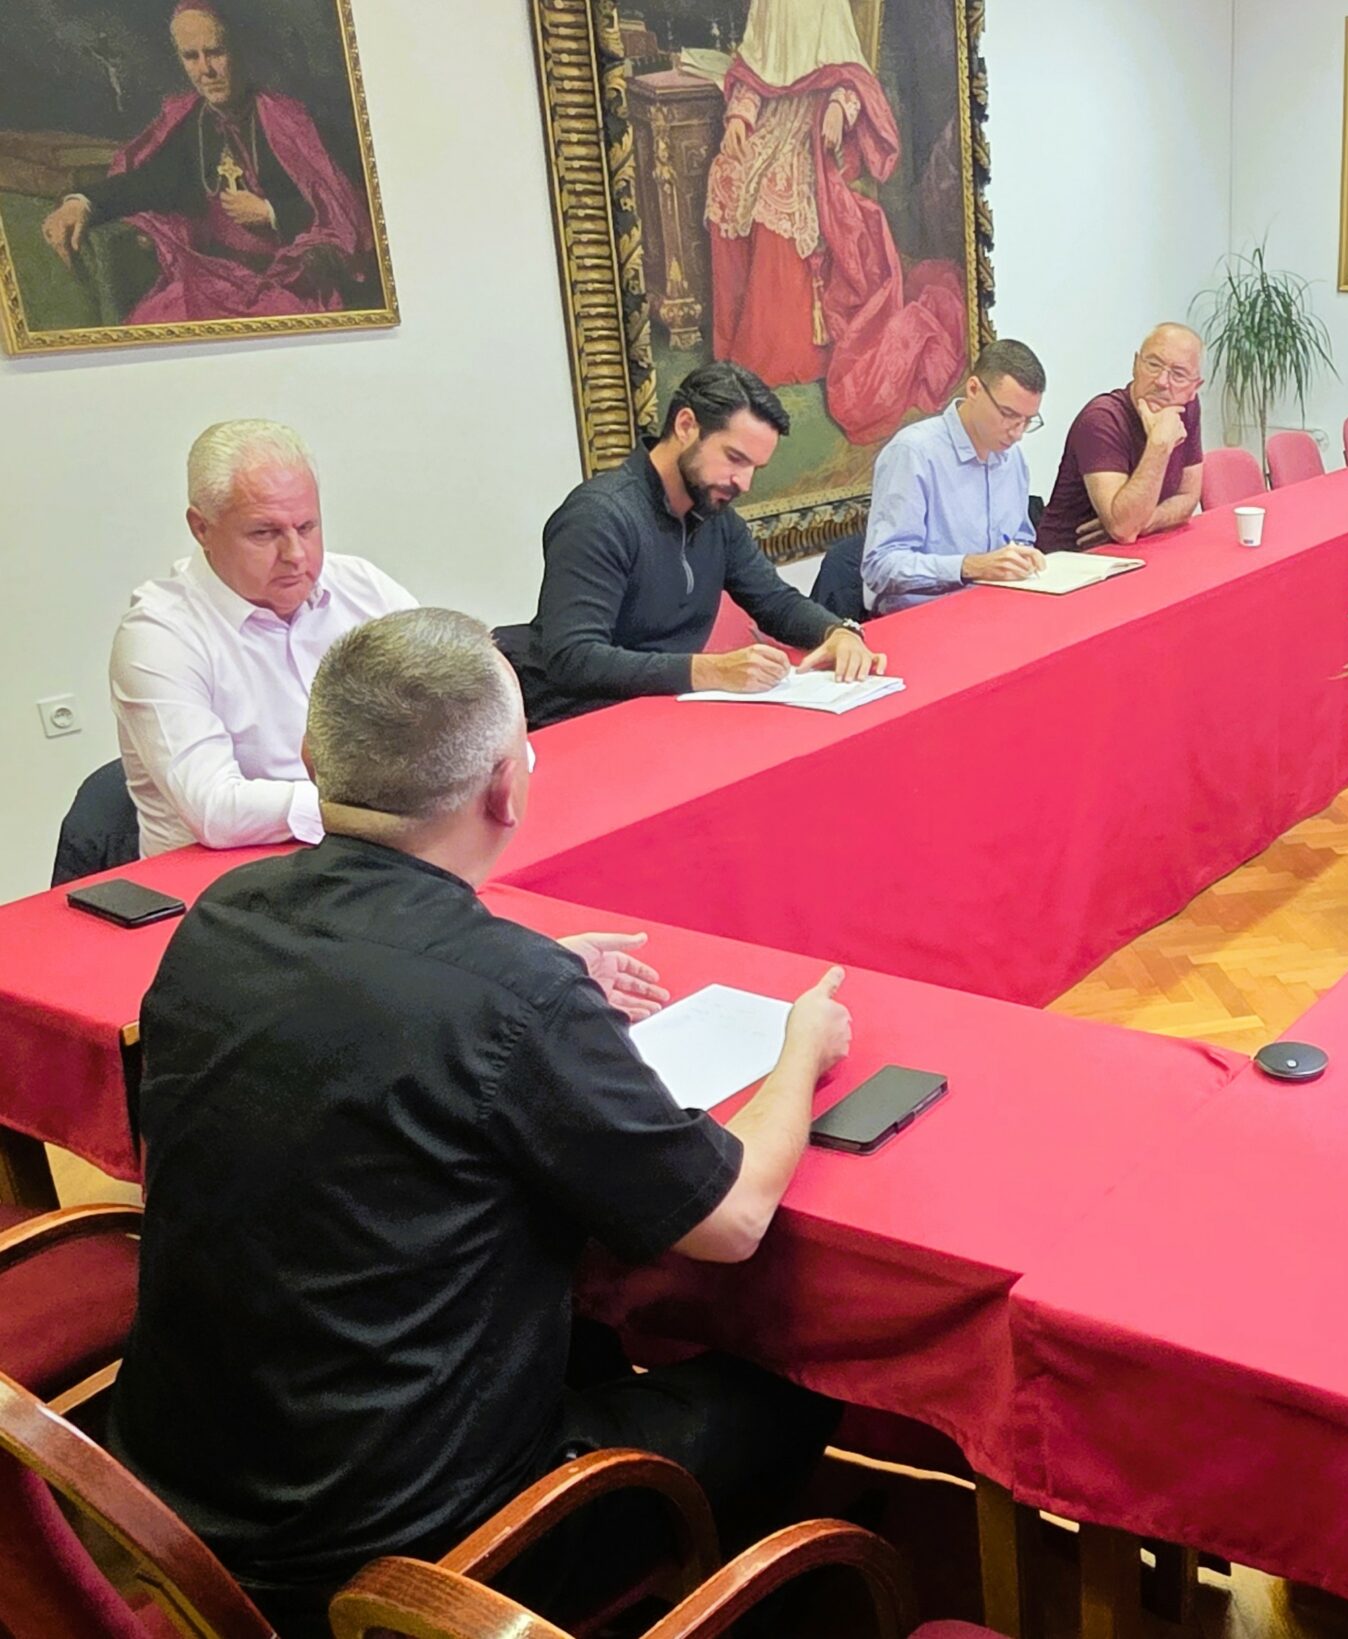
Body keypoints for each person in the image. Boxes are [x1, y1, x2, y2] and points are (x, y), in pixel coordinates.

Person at [110, 607, 850, 1639]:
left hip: (177, 1496)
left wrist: (528, 970)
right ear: (507, 787)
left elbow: (365, 1014)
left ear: (316, 761)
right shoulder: (512, 996)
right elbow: (730, 1220)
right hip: (414, 1557)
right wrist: (801, 1049)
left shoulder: (224, 916)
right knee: (796, 1384)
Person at [512, 361, 885, 728]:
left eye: (755, 469)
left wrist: (838, 631)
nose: (744, 483)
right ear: (686, 425)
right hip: (577, 723)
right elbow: (573, 657)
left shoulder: (716, 518)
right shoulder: (600, 516)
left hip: (661, 714)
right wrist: (709, 670)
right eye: (734, 458)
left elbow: (775, 601)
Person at [110, 419, 415, 856]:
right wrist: (376, 811)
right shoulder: (158, 635)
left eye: (307, 527)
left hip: (367, 852)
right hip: (222, 877)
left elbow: (459, 707)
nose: (295, 555)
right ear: (201, 528)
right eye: (264, 533)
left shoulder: (362, 588)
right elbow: (214, 809)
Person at [705, 0, 966, 442]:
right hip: (773, 117)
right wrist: (739, 116)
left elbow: (853, 72)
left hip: (816, 127)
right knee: (726, 178)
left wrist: (839, 108)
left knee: (776, 188)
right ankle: (734, 341)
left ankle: (783, 351)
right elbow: (754, 64)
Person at [39, 0, 373, 323]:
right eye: (191, 57)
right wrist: (82, 203)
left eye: (215, 52)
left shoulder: (290, 122)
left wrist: (271, 212)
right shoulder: (190, 121)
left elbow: (343, 209)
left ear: (238, 50)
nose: (205, 70)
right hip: (214, 279)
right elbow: (147, 182)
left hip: (287, 282)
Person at [829, 338, 1048, 615]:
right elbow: (880, 566)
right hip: (923, 618)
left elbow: (1020, 538)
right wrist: (968, 566)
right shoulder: (914, 453)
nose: (1017, 433)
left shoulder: (1012, 458)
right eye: (1008, 414)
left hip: (995, 609)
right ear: (974, 389)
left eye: (1027, 421)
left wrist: (1024, 558)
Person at [1034, 324, 1206, 555]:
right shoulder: (1102, 419)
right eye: (1153, 365)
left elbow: (1189, 497)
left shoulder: (1186, 408)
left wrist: (1143, 521)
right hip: (1074, 560)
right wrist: (1159, 445)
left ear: (1195, 387)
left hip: (1135, 552)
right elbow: (1124, 530)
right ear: (1135, 365)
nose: (1162, 381)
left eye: (1178, 374)